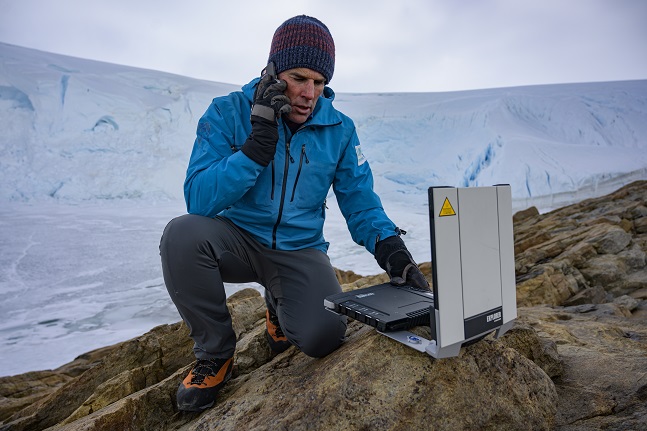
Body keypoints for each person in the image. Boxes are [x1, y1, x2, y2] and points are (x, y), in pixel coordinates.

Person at [159, 15, 429, 412]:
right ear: (271, 72)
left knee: (323, 338)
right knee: (182, 236)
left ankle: (278, 306)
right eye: (298, 78)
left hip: (299, 250)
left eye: (319, 83)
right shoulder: (228, 112)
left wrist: (391, 249)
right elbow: (198, 200)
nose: (309, 93)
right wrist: (255, 147)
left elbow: (359, 198)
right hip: (236, 240)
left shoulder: (339, 128)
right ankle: (215, 355)